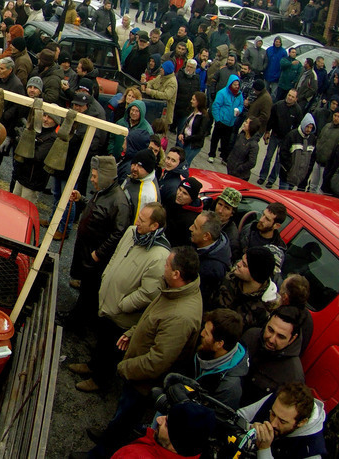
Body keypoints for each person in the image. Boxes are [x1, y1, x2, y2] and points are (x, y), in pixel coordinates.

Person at [84, 246, 202, 456]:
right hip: (138, 375)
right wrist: (133, 332)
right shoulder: (174, 291)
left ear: (176, 274)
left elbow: (158, 360)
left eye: (166, 265)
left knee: (123, 422)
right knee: (121, 417)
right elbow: (152, 315)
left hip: (143, 383)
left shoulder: (181, 316)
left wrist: (124, 367)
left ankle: (99, 454)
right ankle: (107, 435)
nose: (163, 267)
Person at [72, 203, 170, 394]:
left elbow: (149, 293)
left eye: (142, 220)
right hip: (108, 303)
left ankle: (100, 380)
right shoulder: (132, 232)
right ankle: (92, 365)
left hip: (121, 315)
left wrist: (122, 304)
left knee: (110, 349)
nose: (137, 222)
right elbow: (116, 256)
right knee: (101, 341)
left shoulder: (160, 256)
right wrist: (106, 278)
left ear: (154, 226)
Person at [65, 156, 131, 326]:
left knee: (89, 292)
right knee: (85, 289)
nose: (92, 179)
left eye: (95, 176)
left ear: (105, 176)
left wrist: (99, 254)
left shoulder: (119, 202)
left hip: (95, 257)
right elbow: (95, 208)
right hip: (87, 251)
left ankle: (76, 323)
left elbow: (118, 233)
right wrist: (82, 199)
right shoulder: (104, 191)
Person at [237, 382, 327, 459]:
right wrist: (248, 427)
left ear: (301, 422)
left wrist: (264, 449)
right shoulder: (278, 399)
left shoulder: (311, 452)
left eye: (282, 421)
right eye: (272, 414)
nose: (273, 424)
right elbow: (239, 415)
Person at [241, 308, 308, 406]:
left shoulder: (293, 376)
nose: (271, 339)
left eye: (280, 337)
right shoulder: (251, 336)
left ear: (292, 339)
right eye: (270, 330)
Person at [108, 401, 217, 459]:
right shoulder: (193, 450)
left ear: (175, 443)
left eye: (166, 424)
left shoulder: (131, 456)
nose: (159, 419)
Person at [191, 308, 249, 409]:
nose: (202, 333)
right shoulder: (205, 349)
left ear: (219, 344)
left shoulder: (229, 387)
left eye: (207, 333)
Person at [215, 247, 279, 331]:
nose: (238, 264)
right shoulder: (228, 280)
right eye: (241, 260)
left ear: (255, 274)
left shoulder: (263, 311)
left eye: (244, 265)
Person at [260, 89, 304, 188]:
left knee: (279, 161)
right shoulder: (278, 105)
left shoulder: (298, 111)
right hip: (275, 136)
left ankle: (271, 180)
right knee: (268, 157)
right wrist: (267, 131)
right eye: (289, 95)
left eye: (292, 97)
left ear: (296, 99)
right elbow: (271, 120)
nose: (290, 98)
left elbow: (297, 127)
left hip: (286, 141)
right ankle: (262, 176)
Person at [209, 74, 244, 163]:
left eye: (237, 84)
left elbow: (241, 105)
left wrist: (239, 110)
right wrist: (218, 119)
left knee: (226, 141)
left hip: (231, 122)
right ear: (230, 84)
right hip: (221, 121)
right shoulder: (222, 93)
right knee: (215, 139)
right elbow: (216, 106)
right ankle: (212, 154)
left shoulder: (239, 94)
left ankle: (224, 157)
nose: (236, 86)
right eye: (235, 84)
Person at [121, 149, 159, 221]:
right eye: (134, 164)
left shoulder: (146, 195)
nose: (135, 168)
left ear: (148, 170)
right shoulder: (135, 177)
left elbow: (137, 224)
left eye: (140, 166)